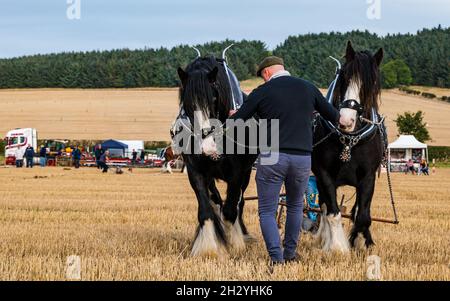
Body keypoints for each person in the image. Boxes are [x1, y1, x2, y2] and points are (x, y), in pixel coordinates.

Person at [229, 56, 347, 265]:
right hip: (302, 157)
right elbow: (336, 117)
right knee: (294, 207)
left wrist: (233, 114)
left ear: (266, 73)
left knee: (267, 210)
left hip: (272, 155)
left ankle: (276, 257)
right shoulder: (308, 88)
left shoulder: (263, 91)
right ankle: (290, 253)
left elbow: (237, 122)